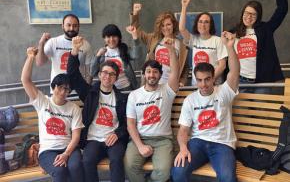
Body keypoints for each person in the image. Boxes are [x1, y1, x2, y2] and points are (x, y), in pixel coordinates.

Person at [171, 31, 240, 182]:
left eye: (207, 79)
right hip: (198, 143)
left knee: (228, 178)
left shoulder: (224, 92)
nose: (203, 84)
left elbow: (234, 72)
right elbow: (183, 130)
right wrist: (183, 148)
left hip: (222, 144)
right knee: (178, 172)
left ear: (213, 77)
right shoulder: (190, 100)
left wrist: (230, 47)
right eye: (200, 80)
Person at [67, 36, 129, 182]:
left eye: (112, 74)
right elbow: (73, 75)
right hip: (93, 139)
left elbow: (128, 123)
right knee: (87, 161)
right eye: (105, 73)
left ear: (116, 78)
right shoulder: (89, 93)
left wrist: (118, 133)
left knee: (116, 159)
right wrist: (74, 51)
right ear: (100, 75)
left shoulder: (121, 98)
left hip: (113, 139)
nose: (108, 76)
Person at [21, 47, 84, 182]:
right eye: (60, 87)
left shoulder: (74, 108)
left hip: (69, 148)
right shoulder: (42, 102)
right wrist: (31, 57)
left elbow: (76, 136)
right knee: (59, 170)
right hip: (47, 151)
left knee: (76, 166)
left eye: (67, 89)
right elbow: (25, 80)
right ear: (53, 87)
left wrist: (66, 153)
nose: (63, 92)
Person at [124, 38, 179, 182]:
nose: (151, 75)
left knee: (163, 171)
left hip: (163, 140)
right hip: (139, 139)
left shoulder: (167, 90)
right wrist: (140, 146)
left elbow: (175, 72)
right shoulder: (134, 95)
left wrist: (171, 50)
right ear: (144, 74)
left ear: (160, 75)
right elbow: (130, 124)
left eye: (155, 72)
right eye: (148, 71)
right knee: (130, 167)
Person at [232, 0, 288, 93]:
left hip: (262, 82)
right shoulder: (234, 31)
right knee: (242, 111)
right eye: (246, 13)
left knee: (261, 110)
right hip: (241, 80)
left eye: (253, 14)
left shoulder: (266, 28)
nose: (248, 17)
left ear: (258, 16)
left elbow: (282, 8)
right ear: (242, 13)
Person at [130, 3, 189, 86]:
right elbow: (137, 30)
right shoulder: (153, 39)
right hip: (153, 84)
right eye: (162, 25)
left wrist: (182, 82)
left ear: (173, 25)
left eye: (168, 24)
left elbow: (185, 67)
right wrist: (135, 13)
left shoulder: (181, 44)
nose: (165, 28)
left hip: (172, 86)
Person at [179, 0, 227, 86]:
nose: (203, 24)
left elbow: (222, 65)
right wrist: (184, 7)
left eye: (206, 22)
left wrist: (209, 81)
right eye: (200, 22)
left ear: (211, 25)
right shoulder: (194, 40)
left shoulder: (218, 40)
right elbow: (181, 29)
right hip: (196, 86)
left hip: (214, 85)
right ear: (197, 24)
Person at [35, 14, 93, 88]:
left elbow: (89, 71)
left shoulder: (86, 44)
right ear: (62, 26)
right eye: (68, 25)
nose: (71, 28)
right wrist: (41, 43)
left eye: (75, 26)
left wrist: (87, 90)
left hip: (79, 90)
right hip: (57, 90)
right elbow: (40, 62)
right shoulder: (53, 42)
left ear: (78, 27)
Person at [90, 24, 137, 91]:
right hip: (107, 89)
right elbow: (92, 72)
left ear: (119, 37)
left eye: (114, 36)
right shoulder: (100, 52)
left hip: (125, 87)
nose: (111, 39)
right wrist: (98, 56)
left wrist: (135, 37)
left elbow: (137, 56)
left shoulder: (124, 49)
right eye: (108, 37)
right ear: (104, 38)